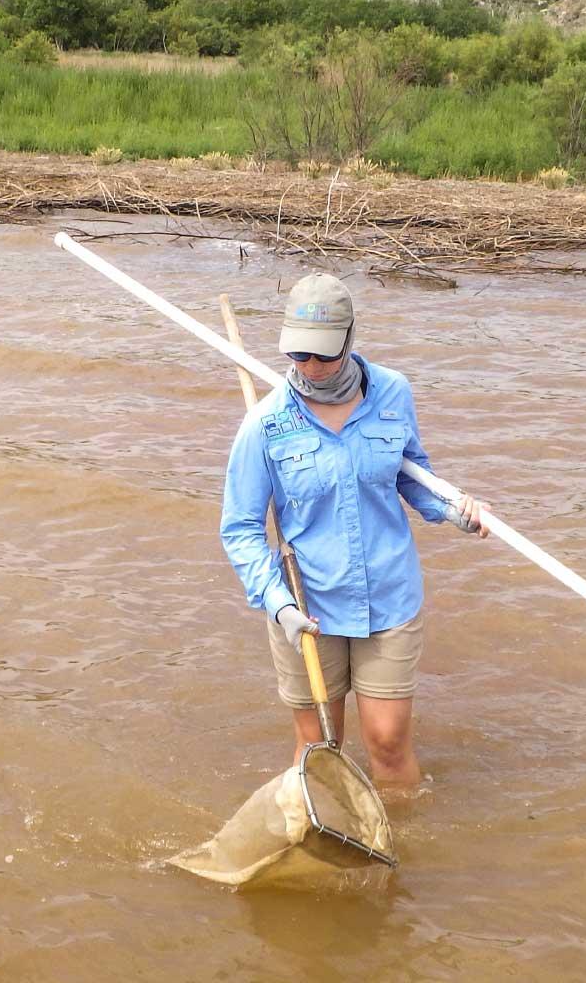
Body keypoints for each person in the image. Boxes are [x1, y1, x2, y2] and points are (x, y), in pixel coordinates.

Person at [219, 274, 486, 789]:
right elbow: (241, 528)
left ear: (349, 338)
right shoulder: (266, 424)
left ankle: (402, 853)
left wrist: (455, 508)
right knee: (320, 747)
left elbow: (413, 475)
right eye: (298, 355)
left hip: (388, 596)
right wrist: (279, 605)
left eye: (323, 355)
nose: (310, 368)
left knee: (386, 743)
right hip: (306, 603)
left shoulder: (392, 393)